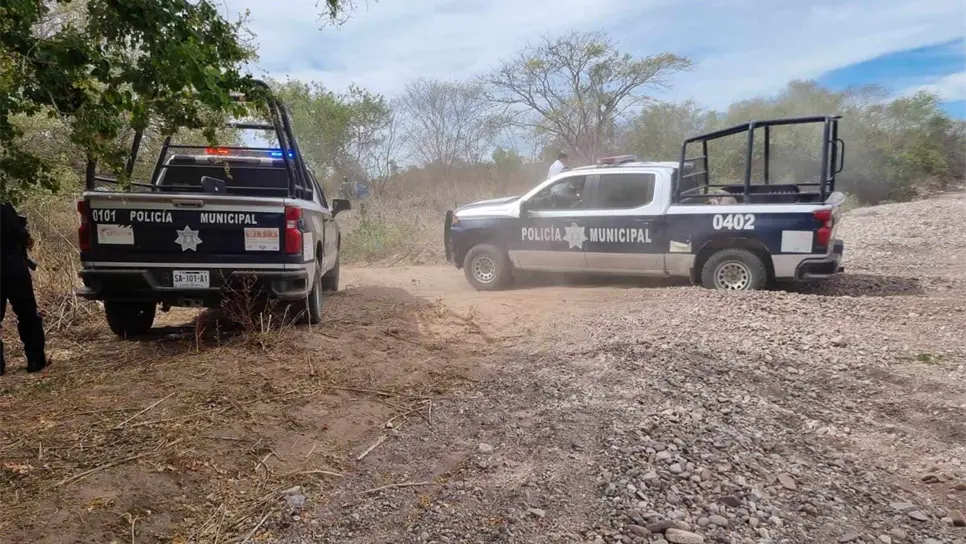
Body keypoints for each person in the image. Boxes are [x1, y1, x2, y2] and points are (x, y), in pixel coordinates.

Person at [0, 200, 48, 375]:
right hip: (13, 269)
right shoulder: (4, 207)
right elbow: (19, 234)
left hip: (12, 266)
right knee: (27, 314)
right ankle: (35, 360)